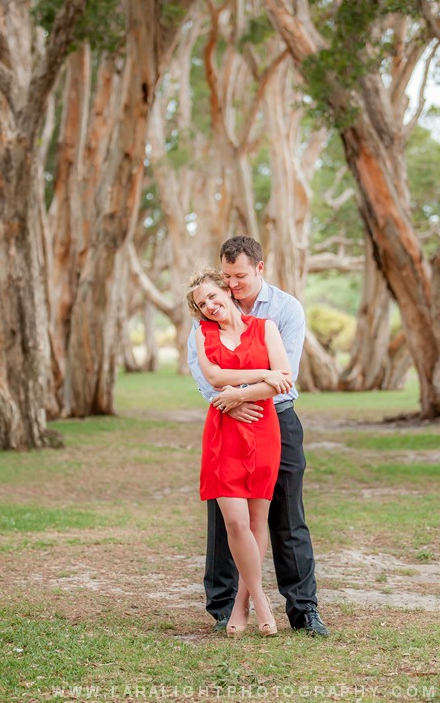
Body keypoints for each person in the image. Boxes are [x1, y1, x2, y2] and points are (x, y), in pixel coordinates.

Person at [187, 236, 329, 637]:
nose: (233, 285)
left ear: (259, 269)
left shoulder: (284, 310)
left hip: (276, 419)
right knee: (225, 518)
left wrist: (243, 393)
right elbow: (204, 372)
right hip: (226, 417)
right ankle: (223, 607)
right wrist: (228, 401)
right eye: (226, 276)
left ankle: (303, 610)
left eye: (240, 276)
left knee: (286, 515)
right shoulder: (208, 315)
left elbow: (285, 376)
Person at [186, 267, 293, 636]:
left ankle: (241, 605)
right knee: (233, 521)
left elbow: (284, 380)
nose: (210, 306)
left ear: (227, 292)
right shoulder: (203, 333)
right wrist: (262, 373)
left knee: (255, 522)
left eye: (213, 296)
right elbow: (213, 377)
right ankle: (262, 602)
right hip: (223, 432)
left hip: (262, 428)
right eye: (203, 304)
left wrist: (240, 395)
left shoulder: (267, 329)